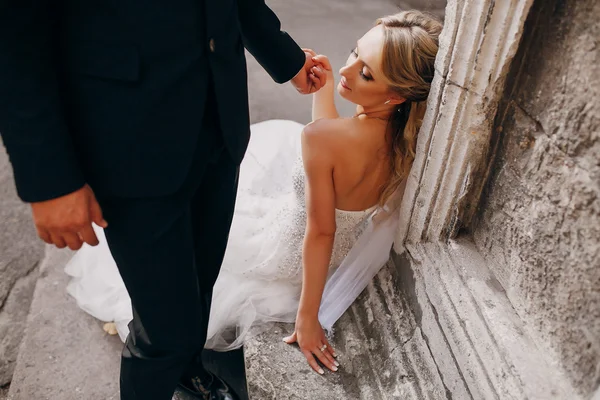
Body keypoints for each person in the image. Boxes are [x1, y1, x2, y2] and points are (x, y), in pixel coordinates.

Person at [65, 9, 443, 380]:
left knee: (186, 278)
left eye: (364, 72)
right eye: (354, 51)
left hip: (288, 252)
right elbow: (334, 155)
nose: (346, 70)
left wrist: (308, 316)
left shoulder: (322, 139)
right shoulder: (404, 144)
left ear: (396, 95)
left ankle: (174, 363)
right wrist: (324, 90)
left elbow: (321, 229)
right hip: (333, 260)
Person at [0, 2, 325, 399]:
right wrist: (51, 180)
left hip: (218, 124)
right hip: (125, 140)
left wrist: (286, 59)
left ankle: (187, 371)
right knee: (165, 329)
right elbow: (14, 44)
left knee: (201, 283)